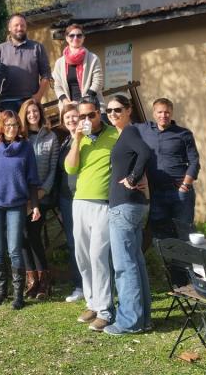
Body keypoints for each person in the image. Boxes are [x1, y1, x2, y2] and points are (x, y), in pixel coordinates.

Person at [0, 110, 40, 310]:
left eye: (15, 125)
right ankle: (2, 291)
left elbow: (33, 180)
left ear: (19, 127)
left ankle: (18, 295)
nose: (12, 129)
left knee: (14, 249)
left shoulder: (26, 148)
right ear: (2, 127)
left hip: (16, 203)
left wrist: (35, 205)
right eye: (8, 125)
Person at [64, 96, 119, 332]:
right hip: (80, 202)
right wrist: (76, 140)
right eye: (82, 116)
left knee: (98, 257)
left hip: (104, 204)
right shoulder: (80, 138)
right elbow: (70, 167)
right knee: (83, 257)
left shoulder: (115, 135)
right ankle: (93, 303)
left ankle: (106, 310)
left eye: (91, 115)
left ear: (100, 113)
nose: (86, 119)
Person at [136, 98, 200, 286]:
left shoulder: (183, 134)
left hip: (180, 193)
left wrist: (186, 185)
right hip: (157, 193)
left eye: (166, 112)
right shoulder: (144, 130)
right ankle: (173, 276)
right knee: (162, 235)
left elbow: (195, 161)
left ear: (171, 113)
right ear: (153, 113)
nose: (163, 115)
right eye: (159, 112)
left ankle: (187, 278)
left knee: (183, 233)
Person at [103, 95, 152, 335]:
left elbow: (145, 153)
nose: (112, 114)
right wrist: (137, 176)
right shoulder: (126, 134)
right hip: (131, 205)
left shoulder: (130, 133)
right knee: (136, 262)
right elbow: (141, 156)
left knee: (124, 265)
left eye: (117, 110)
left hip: (124, 206)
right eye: (109, 111)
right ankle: (143, 319)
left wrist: (133, 178)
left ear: (129, 110)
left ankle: (129, 321)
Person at [18, 99, 59, 300]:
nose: (32, 115)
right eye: (29, 112)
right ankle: (32, 279)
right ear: (24, 116)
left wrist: (42, 192)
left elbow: (53, 169)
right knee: (23, 236)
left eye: (35, 111)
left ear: (40, 114)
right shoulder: (20, 138)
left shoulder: (51, 137)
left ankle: (43, 280)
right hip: (22, 197)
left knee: (32, 233)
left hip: (42, 196)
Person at [0, 14, 52, 113]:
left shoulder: (37, 47)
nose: (20, 28)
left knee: (32, 129)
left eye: (22, 25)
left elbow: (46, 74)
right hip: (7, 102)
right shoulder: (0, 50)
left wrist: (38, 96)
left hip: (30, 101)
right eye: (16, 25)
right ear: (9, 28)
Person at [54, 103, 83, 303]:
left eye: (74, 117)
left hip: (85, 197)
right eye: (67, 118)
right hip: (67, 199)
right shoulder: (65, 142)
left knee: (89, 243)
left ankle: (96, 284)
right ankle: (79, 285)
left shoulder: (88, 140)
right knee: (73, 243)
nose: (71, 120)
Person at [52, 24, 104, 110]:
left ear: (83, 38)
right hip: (69, 108)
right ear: (67, 38)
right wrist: (66, 102)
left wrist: (83, 102)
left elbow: (98, 82)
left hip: (91, 105)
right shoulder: (59, 63)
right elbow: (57, 86)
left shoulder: (93, 58)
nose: (75, 38)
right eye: (72, 35)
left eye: (79, 35)